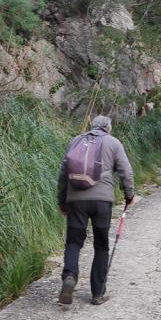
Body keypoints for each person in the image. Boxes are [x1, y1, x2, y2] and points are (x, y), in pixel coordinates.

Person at [57, 115, 137, 306]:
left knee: (74, 242)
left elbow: (63, 173)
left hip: (76, 199)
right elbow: (126, 172)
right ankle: (97, 293)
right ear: (108, 128)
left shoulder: (76, 140)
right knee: (101, 245)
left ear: (92, 126)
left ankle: (69, 278)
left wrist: (63, 200)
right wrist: (129, 194)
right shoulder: (113, 142)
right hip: (102, 201)